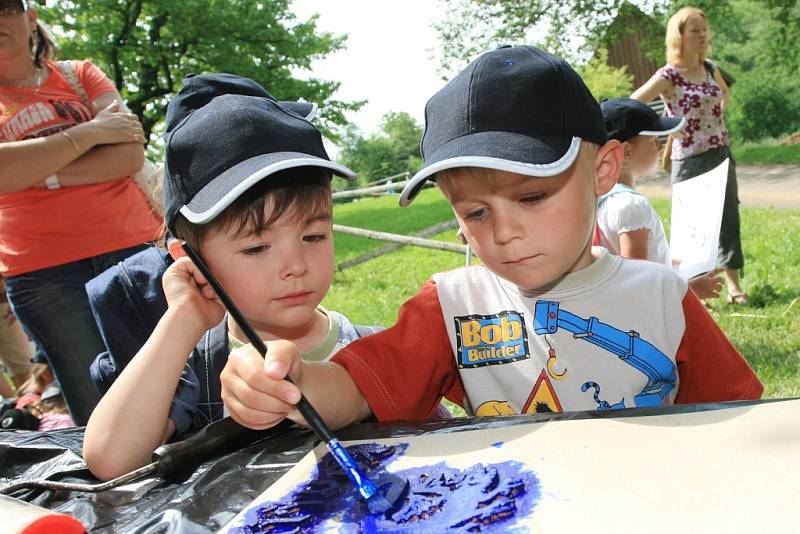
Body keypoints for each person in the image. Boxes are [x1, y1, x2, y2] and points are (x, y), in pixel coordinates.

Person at [217, 45, 763, 433]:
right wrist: (289, 384)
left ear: (603, 171)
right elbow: (356, 388)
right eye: (476, 212)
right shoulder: (451, 307)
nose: (503, 233)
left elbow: (741, 423)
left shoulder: (664, 296)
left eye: (531, 198)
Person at [83, 73, 381, 481]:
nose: (296, 265)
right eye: (256, 248)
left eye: (313, 236)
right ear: (191, 259)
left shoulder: (371, 347)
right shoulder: (193, 371)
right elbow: (109, 459)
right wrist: (183, 318)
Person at [0, 0, 163, 424]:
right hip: (43, 273)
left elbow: (127, 153)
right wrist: (89, 133)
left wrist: (36, 172)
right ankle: (125, 491)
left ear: (30, 18)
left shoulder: (81, 74)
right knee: (102, 413)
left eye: (4, 7)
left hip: (131, 249)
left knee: (181, 382)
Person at [631, 6, 747, 305]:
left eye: (703, 29)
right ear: (678, 36)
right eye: (694, 29)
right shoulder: (668, 75)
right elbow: (632, 104)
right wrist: (665, 127)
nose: (702, 34)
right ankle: (695, 293)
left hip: (721, 151)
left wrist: (718, 111)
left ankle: (734, 287)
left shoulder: (709, 67)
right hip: (689, 158)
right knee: (694, 227)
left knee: (728, 219)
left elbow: (723, 92)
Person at [596, 97, 723, 300]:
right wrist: (691, 290)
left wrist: (671, 262)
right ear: (626, 152)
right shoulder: (632, 206)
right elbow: (638, 287)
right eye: (654, 140)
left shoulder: (601, 199)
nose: (660, 147)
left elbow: (622, 263)